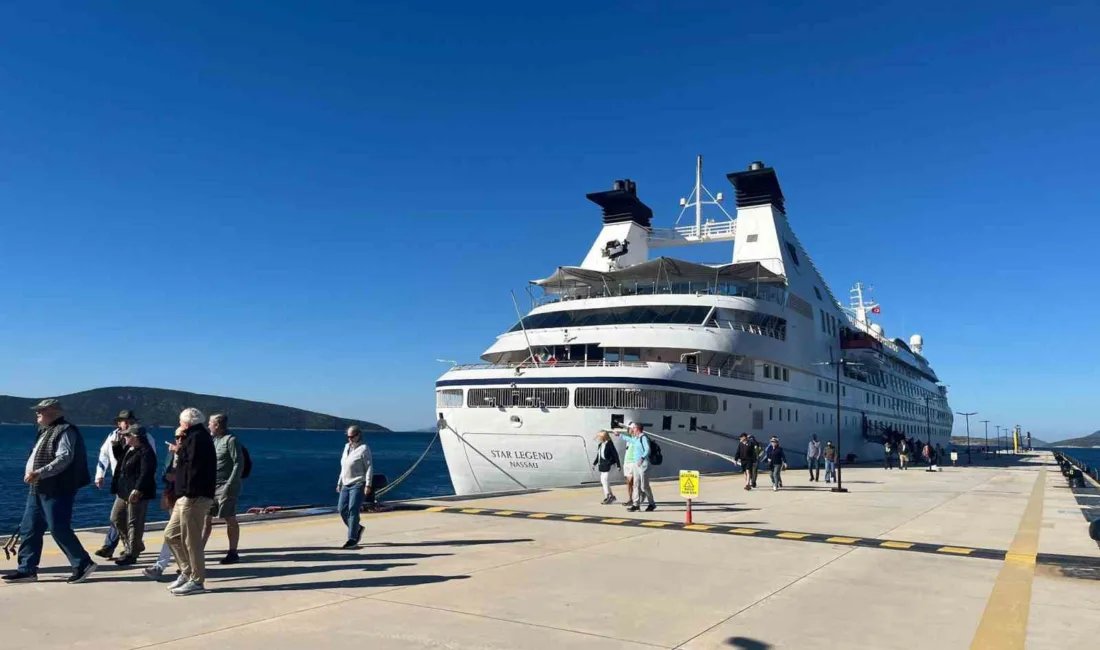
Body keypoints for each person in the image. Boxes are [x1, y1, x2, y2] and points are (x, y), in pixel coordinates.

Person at [3, 399, 96, 585]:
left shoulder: (65, 430)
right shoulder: (45, 431)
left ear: (53, 411)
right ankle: (27, 569)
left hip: (56, 488)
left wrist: (39, 472)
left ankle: (83, 563)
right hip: (38, 488)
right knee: (29, 528)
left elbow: (64, 458)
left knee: (58, 528)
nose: (37, 414)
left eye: (40, 411)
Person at [163, 408, 217, 596]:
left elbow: (194, 467)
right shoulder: (192, 438)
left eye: (180, 422)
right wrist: (180, 447)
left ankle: (197, 579)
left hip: (194, 496)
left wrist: (179, 448)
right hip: (185, 495)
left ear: (186, 423)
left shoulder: (198, 439)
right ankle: (186, 572)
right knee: (171, 535)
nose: (179, 425)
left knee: (191, 540)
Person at [94, 410, 156, 559]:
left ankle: (120, 548)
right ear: (118, 423)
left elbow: (148, 465)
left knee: (131, 519)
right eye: (124, 421)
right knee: (118, 517)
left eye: (131, 421)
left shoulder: (145, 440)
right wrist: (99, 475)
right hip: (121, 484)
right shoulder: (113, 437)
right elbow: (105, 456)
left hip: (135, 486)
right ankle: (132, 545)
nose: (127, 423)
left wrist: (140, 487)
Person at [109, 425, 157, 566]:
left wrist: (138, 489)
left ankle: (132, 553)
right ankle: (133, 545)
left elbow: (146, 472)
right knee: (116, 518)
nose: (124, 437)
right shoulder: (129, 449)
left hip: (136, 493)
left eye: (127, 435)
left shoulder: (146, 452)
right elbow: (121, 461)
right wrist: (116, 444)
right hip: (123, 491)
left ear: (135, 437)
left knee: (134, 523)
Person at [201, 413, 243, 564]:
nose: (208, 426)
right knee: (206, 519)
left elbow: (238, 463)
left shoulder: (230, 440)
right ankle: (198, 552)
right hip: (211, 486)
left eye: (210, 423)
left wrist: (230, 485)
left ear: (217, 425)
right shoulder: (214, 441)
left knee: (229, 517)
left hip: (226, 486)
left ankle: (233, 552)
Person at [143, 446, 180, 580]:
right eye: (177, 438)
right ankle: (184, 566)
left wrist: (177, 478)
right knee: (175, 533)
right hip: (173, 496)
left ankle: (162, 566)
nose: (178, 441)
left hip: (189, 499)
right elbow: (164, 474)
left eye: (182, 437)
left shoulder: (194, 453)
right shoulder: (172, 454)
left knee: (174, 533)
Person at [337, 425, 373, 548]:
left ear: (358, 435)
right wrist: (339, 482)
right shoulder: (346, 447)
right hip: (346, 483)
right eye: (348, 437)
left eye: (352, 437)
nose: (350, 439)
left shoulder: (364, 449)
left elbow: (369, 467)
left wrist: (368, 484)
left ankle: (352, 539)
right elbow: (344, 466)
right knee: (341, 509)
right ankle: (357, 528)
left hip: (358, 483)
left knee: (353, 510)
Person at [612, 422, 655, 512]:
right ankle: (636, 504)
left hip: (643, 464)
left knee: (644, 486)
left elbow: (647, 449)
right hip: (636, 464)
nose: (632, 429)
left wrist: (642, 458)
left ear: (637, 429)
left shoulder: (643, 437)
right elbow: (630, 439)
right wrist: (619, 435)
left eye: (634, 428)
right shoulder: (636, 438)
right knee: (636, 485)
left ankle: (652, 504)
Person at [592, 431, 621, 504]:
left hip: (609, 464)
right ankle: (611, 496)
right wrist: (594, 464)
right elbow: (598, 456)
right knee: (603, 480)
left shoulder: (609, 443)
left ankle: (607, 496)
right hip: (603, 465)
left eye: (600, 437)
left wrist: (618, 465)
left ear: (603, 437)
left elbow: (615, 454)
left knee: (605, 480)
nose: (598, 438)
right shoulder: (600, 445)